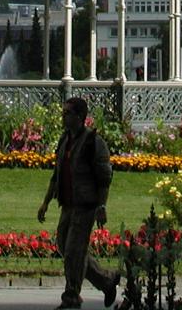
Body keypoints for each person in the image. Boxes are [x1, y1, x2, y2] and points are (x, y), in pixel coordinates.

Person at [37, 97, 120, 309]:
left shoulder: (93, 143)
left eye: (67, 113)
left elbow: (104, 178)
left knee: (74, 251)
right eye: (63, 112)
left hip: (85, 206)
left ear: (80, 117)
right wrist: (45, 202)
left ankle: (71, 298)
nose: (63, 117)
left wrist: (102, 206)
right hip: (68, 204)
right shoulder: (65, 140)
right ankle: (107, 280)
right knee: (65, 246)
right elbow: (56, 175)